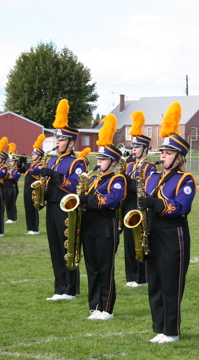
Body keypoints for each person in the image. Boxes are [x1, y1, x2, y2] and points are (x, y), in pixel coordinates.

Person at [138, 102, 196, 344]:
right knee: (156, 282)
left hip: (174, 234)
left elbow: (181, 207)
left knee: (171, 283)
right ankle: (159, 327)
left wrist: (156, 204)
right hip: (153, 233)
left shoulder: (186, 179)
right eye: (162, 153)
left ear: (179, 157)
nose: (163, 156)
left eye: (168, 153)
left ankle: (171, 330)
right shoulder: (152, 178)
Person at [78, 114, 127, 320]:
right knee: (91, 267)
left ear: (113, 162)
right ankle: (94, 306)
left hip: (106, 226)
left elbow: (110, 200)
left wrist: (86, 199)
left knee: (105, 268)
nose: (99, 162)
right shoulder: (93, 178)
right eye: (98, 158)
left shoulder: (117, 179)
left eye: (103, 159)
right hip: (89, 225)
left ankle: (106, 308)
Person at [40, 99, 87, 301]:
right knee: (54, 247)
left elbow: (74, 186)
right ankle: (59, 288)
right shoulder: (51, 159)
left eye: (60, 140)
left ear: (70, 142)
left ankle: (70, 288)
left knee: (68, 247)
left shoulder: (78, 162)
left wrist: (53, 175)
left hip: (67, 209)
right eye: (56, 140)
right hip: (52, 207)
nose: (56, 143)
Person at [123, 110, 156, 287]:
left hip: (141, 208)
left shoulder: (149, 167)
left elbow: (145, 188)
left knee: (140, 242)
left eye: (136, 147)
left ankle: (142, 277)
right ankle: (131, 277)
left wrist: (129, 181)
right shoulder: (128, 165)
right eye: (132, 147)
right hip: (128, 207)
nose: (133, 149)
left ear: (145, 148)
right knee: (128, 243)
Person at [21, 134, 46, 235]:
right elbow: (22, 170)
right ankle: (30, 228)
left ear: (39, 156)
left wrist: (25, 164)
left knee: (33, 208)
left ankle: (35, 228)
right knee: (27, 208)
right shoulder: (31, 164)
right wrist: (20, 163)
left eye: (34, 154)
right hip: (27, 187)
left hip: (34, 189)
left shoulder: (40, 165)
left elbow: (33, 172)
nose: (32, 155)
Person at [4, 143, 21, 224]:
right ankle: (9, 217)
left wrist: (7, 175)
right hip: (6, 187)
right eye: (10, 161)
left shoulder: (16, 169)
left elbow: (14, 177)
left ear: (15, 162)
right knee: (7, 202)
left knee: (12, 203)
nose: (10, 162)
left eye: (12, 161)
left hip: (12, 187)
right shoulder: (8, 168)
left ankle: (13, 218)